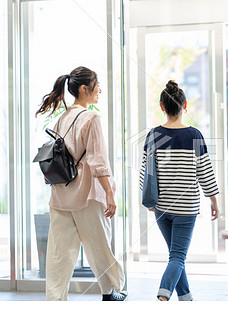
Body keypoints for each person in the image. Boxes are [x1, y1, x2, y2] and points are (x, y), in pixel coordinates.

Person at [36, 66, 127, 301]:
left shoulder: (61, 119)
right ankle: (110, 291)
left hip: (60, 194)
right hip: (87, 194)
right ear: (85, 89)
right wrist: (109, 193)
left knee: (59, 254)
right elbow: (98, 161)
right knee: (99, 246)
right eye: (97, 86)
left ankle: (55, 301)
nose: (100, 90)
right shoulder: (91, 117)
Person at [140, 80, 220, 301]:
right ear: (185, 106)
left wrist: (148, 201)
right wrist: (214, 200)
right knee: (177, 255)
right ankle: (164, 292)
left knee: (176, 255)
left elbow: (145, 172)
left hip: (161, 206)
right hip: (186, 207)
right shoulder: (194, 135)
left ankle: (185, 296)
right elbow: (205, 171)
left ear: (162, 107)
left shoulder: (153, 135)